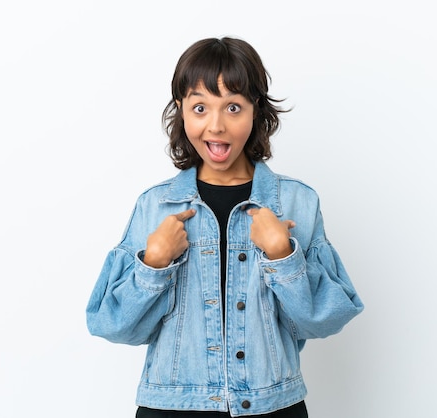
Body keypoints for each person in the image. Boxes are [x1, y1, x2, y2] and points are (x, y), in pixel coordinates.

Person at [86, 36, 364, 417]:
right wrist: (153, 262)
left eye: (233, 107)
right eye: (200, 107)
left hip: (272, 407)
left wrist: (284, 256)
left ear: (256, 112)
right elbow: (113, 326)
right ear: (181, 112)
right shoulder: (154, 206)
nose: (215, 126)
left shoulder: (297, 202)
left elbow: (323, 322)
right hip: (172, 408)